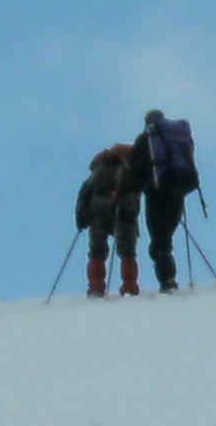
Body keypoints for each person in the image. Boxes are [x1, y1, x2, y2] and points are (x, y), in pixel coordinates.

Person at [75, 136, 148, 298]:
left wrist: (81, 218)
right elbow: (136, 193)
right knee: (128, 252)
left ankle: (96, 287)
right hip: (125, 210)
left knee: (97, 251)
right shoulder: (132, 170)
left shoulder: (98, 170)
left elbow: (84, 193)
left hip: (98, 211)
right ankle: (130, 286)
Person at [140, 108, 199, 294]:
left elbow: (138, 168)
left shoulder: (148, 138)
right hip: (179, 190)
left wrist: (128, 191)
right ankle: (168, 277)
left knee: (159, 239)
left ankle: (167, 281)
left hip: (156, 192)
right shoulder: (179, 136)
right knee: (166, 236)